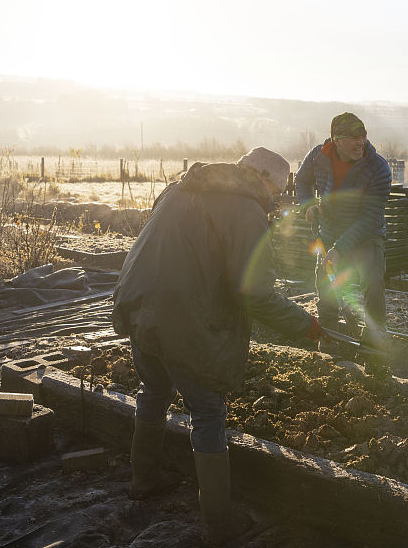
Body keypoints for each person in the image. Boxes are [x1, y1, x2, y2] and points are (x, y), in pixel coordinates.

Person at [111, 147, 324, 544]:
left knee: (153, 390)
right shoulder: (246, 211)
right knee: (208, 412)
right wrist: (303, 324)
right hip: (179, 315)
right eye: (275, 193)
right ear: (263, 180)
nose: (274, 201)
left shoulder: (180, 188)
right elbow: (255, 293)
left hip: (138, 304)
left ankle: (144, 480)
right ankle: (218, 526)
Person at [294, 112, 392, 349]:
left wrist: (339, 249)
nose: (360, 142)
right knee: (326, 283)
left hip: (367, 233)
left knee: (373, 282)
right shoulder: (318, 156)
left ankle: (375, 344)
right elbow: (301, 180)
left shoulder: (378, 168)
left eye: (363, 136)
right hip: (329, 229)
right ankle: (327, 338)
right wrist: (308, 204)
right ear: (336, 140)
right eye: (353, 138)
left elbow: (370, 217)